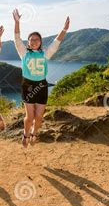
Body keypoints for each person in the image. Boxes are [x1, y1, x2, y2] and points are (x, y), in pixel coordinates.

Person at [12, 8, 70, 147]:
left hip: (41, 86)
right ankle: (25, 134)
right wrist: (17, 22)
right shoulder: (24, 53)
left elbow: (56, 43)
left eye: (37, 39)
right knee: (29, 116)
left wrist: (64, 29)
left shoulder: (45, 54)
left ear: (40, 42)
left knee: (39, 116)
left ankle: (34, 133)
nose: (34, 41)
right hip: (28, 85)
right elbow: (16, 38)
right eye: (31, 40)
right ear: (28, 42)